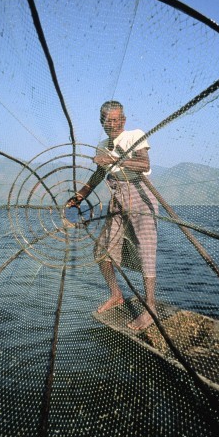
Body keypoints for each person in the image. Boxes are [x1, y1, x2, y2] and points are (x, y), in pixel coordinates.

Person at [66, 101, 159, 330]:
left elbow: (142, 163)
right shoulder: (102, 146)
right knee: (102, 250)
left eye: (118, 119)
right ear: (102, 123)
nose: (114, 124)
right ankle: (116, 294)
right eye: (109, 120)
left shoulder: (134, 135)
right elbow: (98, 177)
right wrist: (78, 198)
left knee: (145, 251)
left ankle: (151, 308)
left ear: (124, 120)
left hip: (139, 197)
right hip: (117, 199)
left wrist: (113, 160)